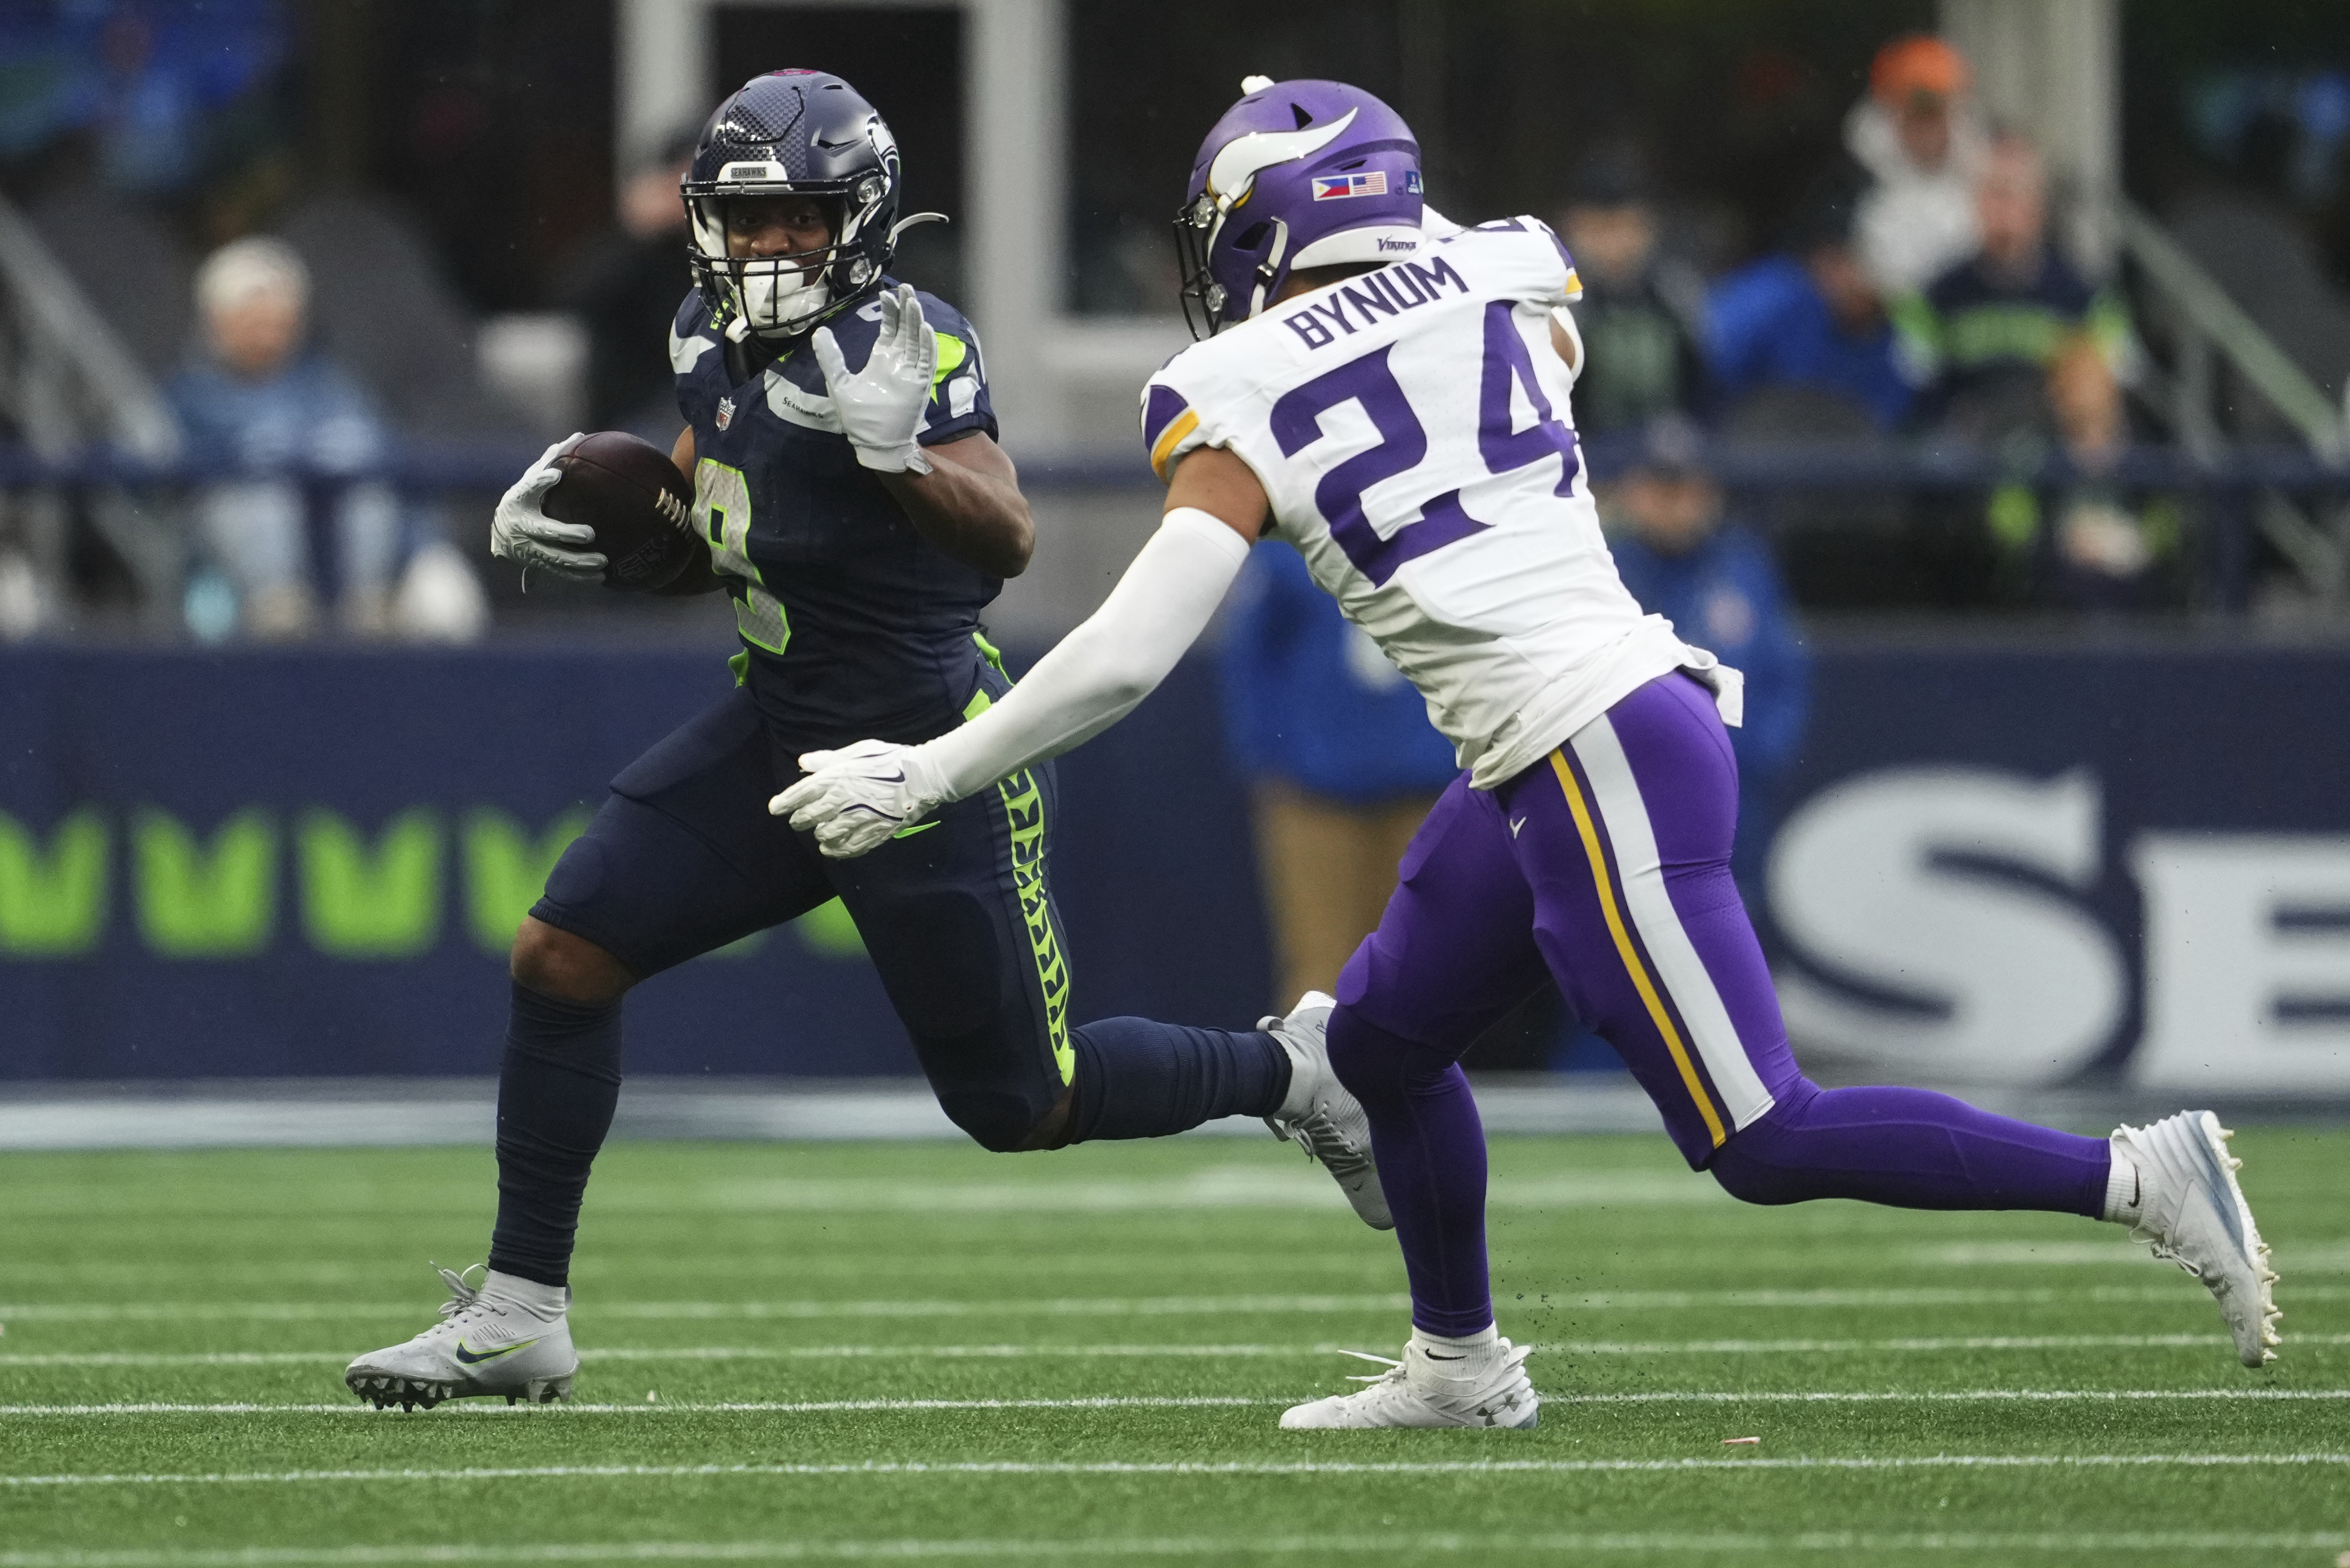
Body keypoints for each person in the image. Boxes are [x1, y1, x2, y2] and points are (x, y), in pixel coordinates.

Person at [777, 76, 2281, 1431]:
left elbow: (1121, 655)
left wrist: (926, 770)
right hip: (1572, 736)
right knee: (1371, 1050)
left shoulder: (1236, 390)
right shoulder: (1509, 269)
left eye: (1223, 225)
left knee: (1762, 1131)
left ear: (1270, 225)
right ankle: (1459, 1364)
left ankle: (2140, 1177)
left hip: (1593, 740)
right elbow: (1514, 314)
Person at [341, 70, 1386, 1413]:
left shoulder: (906, 342)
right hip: (780, 727)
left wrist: (902, 459)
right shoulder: (701, 342)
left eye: (802, 220)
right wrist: (615, 524)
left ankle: (1293, 1069)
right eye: (749, 219)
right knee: (563, 948)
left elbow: (1002, 535)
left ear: (864, 220)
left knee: (1022, 1100)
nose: (771, 246)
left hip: (921, 753)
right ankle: (519, 1311)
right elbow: (717, 534)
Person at [1892, 136, 2154, 604]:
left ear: (2039, 204)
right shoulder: (1937, 295)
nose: (2002, 207)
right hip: (1972, 456)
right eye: (1990, 191)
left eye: (2013, 192)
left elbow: (2117, 388)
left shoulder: (2084, 293)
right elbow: (1915, 393)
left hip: (2059, 457)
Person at [1220, 541, 1460, 1007]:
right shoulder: (1291, 538)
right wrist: (1270, 764)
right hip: (1314, 792)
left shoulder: (1444, 527)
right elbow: (1249, 654)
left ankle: (1416, 1081)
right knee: (1319, 963)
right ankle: (1317, 1078)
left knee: (1423, 964)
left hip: (1427, 788)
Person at [166, 238, 415, 638]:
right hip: (222, 574)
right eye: (252, 316)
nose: (268, 330)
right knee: (258, 477)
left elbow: (383, 459)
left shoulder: (329, 385)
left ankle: (366, 609)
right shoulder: (190, 394)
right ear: (217, 321)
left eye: (279, 318)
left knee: (353, 451)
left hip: (337, 564)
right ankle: (279, 616)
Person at [1604, 416, 1808, 888]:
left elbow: (1784, 674)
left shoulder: (1742, 565)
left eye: (1686, 487)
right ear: (1633, 491)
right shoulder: (1605, 572)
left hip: (1732, 799)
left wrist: (1752, 764)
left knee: (1736, 931)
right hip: (1629, 801)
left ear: (1709, 492)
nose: (1674, 503)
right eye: (1660, 487)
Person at [1705, 174, 1913, 433]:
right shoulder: (1776, 294)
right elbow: (1706, 367)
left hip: (1843, 459)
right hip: (1743, 450)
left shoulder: (1895, 326)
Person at [1552, 144, 1707, 434]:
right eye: (1598, 230)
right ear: (1573, 228)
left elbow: (1706, 388)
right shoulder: (1553, 304)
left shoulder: (1677, 293)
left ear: (1650, 228)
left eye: (1626, 228)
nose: (1614, 247)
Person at [556, 129, 701, 436]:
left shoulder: (729, 253)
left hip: (705, 419)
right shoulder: (644, 252)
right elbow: (575, 294)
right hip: (630, 421)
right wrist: (635, 232)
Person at [1845, 34, 1988, 299]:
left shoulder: (1989, 178)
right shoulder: (1852, 187)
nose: (1928, 130)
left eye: (1938, 114)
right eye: (1917, 115)